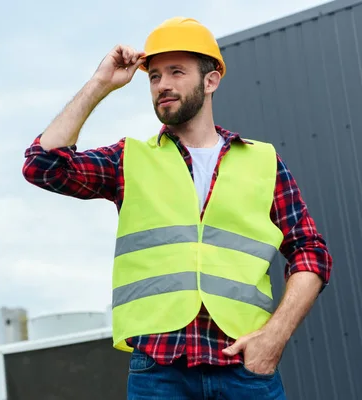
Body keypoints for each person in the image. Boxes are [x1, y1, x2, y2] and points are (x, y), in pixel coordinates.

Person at [22, 16, 332, 400]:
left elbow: (311, 253)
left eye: (176, 72)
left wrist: (274, 337)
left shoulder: (263, 162)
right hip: (159, 372)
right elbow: (42, 165)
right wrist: (100, 84)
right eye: (153, 76)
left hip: (245, 369)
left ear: (211, 79)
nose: (162, 85)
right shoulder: (128, 159)